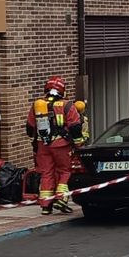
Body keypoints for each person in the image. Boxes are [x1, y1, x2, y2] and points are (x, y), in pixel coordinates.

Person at [26, 76, 85, 213]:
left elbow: (29, 128)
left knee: (46, 173)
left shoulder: (38, 105)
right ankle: (61, 200)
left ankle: (46, 206)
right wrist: (79, 145)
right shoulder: (67, 105)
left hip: (42, 145)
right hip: (61, 145)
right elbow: (75, 128)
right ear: (62, 91)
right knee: (65, 171)